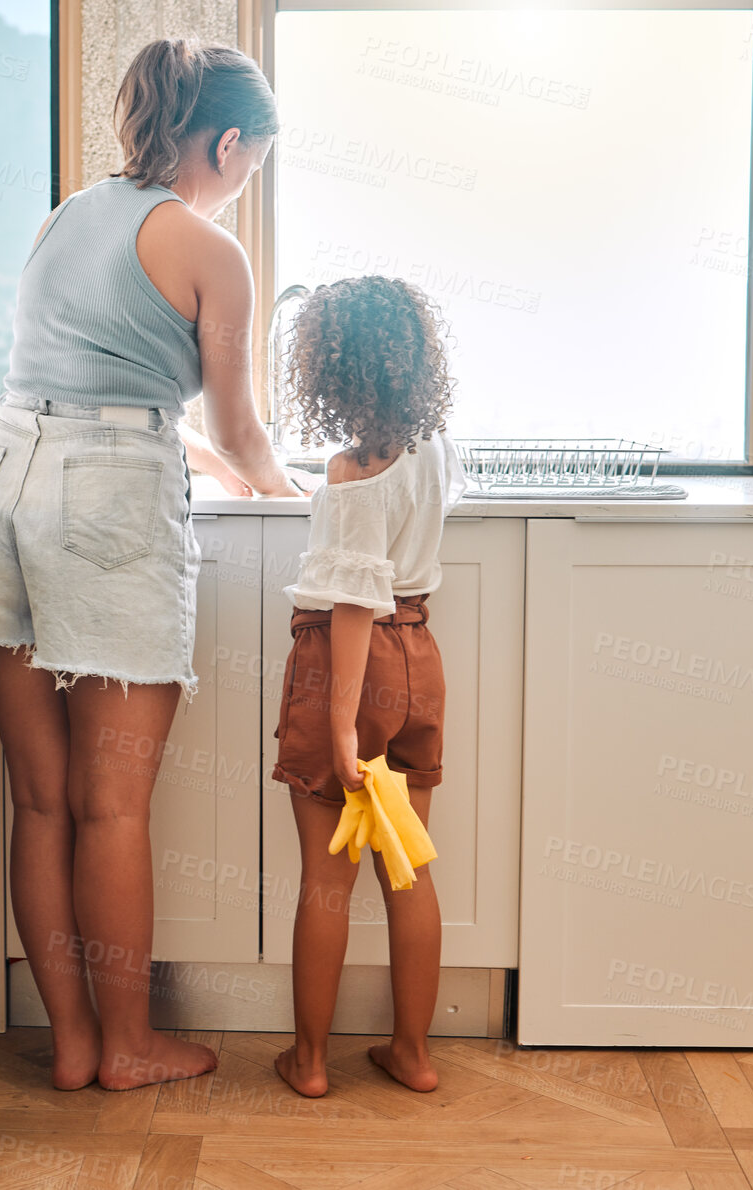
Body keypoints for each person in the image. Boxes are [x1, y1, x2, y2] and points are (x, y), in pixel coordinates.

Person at [0, 38, 300, 1091]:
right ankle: (131, 1045)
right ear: (226, 143)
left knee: (40, 799)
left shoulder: (64, 217)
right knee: (113, 804)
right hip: (106, 511)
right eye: (253, 164)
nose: (245, 184)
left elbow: (72, 387)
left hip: (1, 485)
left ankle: (76, 1044)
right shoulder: (205, 248)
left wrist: (187, 447)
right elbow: (237, 430)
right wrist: (277, 485)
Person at [268, 276, 467, 1098]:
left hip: (348, 672)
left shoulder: (351, 471)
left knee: (326, 876)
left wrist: (341, 727)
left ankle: (310, 1063)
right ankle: (413, 1056)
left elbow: (351, 607)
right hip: (420, 658)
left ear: (330, 370)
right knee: (408, 869)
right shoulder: (437, 449)